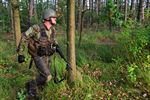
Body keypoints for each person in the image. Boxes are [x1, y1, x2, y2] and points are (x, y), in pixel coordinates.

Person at [17, 8, 70, 99]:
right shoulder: (36, 28)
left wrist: (59, 51)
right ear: (48, 18)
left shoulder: (53, 30)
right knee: (48, 76)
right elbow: (24, 37)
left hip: (47, 56)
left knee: (44, 76)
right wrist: (20, 53)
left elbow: (54, 42)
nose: (56, 19)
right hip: (37, 56)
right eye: (54, 17)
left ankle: (39, 91)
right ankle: (31, 87)